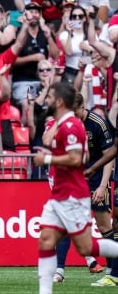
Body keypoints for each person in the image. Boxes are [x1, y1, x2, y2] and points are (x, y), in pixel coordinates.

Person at [34, 82, 118, 294]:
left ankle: (113, 267)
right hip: (61, 192)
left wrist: (48, 158)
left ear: (61, 102)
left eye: (51, 98)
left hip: (74, 191)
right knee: (46, 238)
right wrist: (57, 120)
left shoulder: (73, 126)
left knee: (86, 246)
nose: (48, 101)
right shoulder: (62, 123)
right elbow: (47, 139)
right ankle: (47, 288)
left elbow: (77, 158)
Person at [55, 94, 117, 285]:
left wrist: (102, 186)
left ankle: (112, 272)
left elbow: (110, 156)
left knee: (105, 226)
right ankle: (59, 271)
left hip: (97, 178)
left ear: (83, 108)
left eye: (76, 113)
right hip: (76, 179)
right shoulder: (67, 122)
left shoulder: (97, 123)